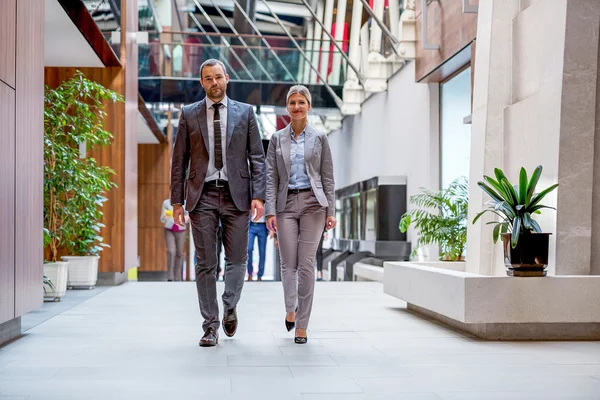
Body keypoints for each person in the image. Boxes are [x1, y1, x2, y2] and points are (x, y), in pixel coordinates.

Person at [171, 58, 266, 347]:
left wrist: (258, 196)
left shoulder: (246, 113)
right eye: (208, 78)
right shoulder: (189, 114)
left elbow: (257, 158)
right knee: (205, 263)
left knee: (237, 259)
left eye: (218, 77)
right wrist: (177, 201)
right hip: (202, 196)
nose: (214, 83)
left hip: (237, 194)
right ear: (202, 82)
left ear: (227, 78)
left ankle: (229, 305)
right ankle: (210, 326)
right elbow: (179, 161)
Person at [265, 85, 336, 344]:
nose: (296, 106)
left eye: (301, 102)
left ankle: (302, 325)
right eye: (292, 102)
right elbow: (271, 176)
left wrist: (331, 210)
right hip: (285, 205)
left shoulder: (319, 138)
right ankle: (290, 308)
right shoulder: (276, 139)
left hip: (313, 204)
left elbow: (328, 177)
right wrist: (270, 211)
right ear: (287, 107)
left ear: (309, 106)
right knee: (288, 264)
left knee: (306, 264)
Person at [160, 199, 188, 281]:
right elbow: (162, 217)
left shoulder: (185, 203)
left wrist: (183, 218)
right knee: (171, 251)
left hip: (181, 229)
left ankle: (178, 277)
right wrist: (165, 216)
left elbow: (188, 216)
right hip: (169, 229)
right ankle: (170, 277)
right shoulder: (166, 203)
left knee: (179, 252)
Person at [247, 214, 268, 281]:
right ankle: (250, 273)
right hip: (251, 225)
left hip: (263, 226)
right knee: (249, 249)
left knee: (262, 252)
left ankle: (260, 275)